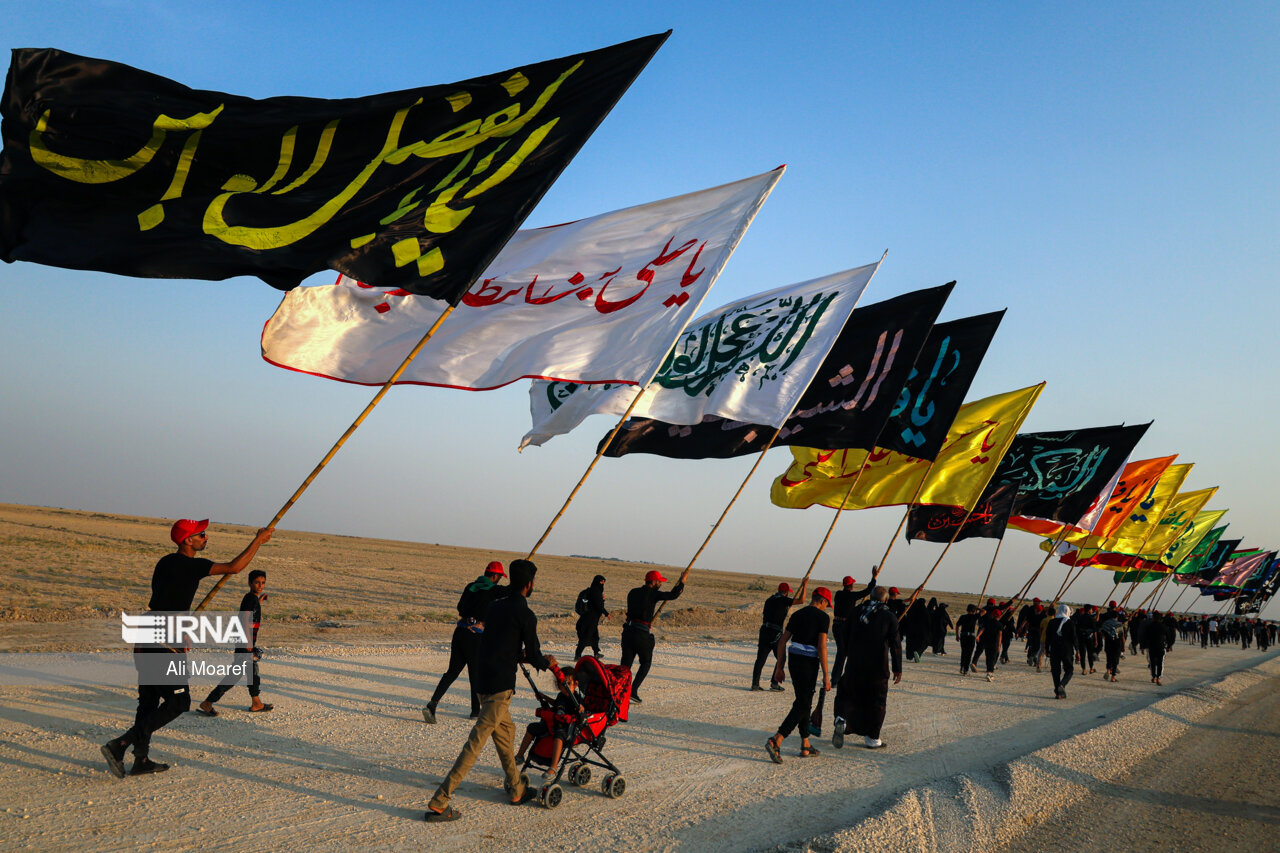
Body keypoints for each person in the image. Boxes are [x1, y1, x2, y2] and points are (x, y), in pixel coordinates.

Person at [100, 519, 273, 778]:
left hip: (147, 633)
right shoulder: (191, 565)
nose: (206, 537)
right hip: (164, 639)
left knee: (148, 702)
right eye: (200, 534)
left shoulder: (165, 562)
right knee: (180, 701)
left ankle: (141, 759)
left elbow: (167, 600)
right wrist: (258, 540)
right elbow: (235, 568)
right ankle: (120, 744)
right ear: (186, 540)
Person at [425, 559, 555, 822]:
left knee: (506, 733)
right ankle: (440, 800)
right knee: (476, 742)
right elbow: (534, 654)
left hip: (483, 684)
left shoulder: (495, 607)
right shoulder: (527, 615)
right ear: (529, 585)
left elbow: (494, 641)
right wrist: (547, 663)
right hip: (500, 687)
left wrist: (516, 655)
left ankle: (517, 788)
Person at [423, 561, 507, 724]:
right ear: (495, 576)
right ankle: (475, 711)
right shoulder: (493, 590)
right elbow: (511, 590)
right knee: (475, 674)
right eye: (499, 577)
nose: (499, 581)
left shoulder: (470, 586)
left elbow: (460, 608)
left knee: (452, 672)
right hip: (475, 636)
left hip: (460, 632)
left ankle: (432, 704)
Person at [765, 588, 832, 762]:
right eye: (827, 605)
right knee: (802, 704)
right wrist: (826, 675)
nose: (827, 608)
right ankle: (777, 739)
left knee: (804, 701)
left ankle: (805, 744)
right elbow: (822, 647)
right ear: (823, 601)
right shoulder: (823, 618)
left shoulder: (797, 614)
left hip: (794, 661)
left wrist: (779, 668)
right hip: (809, 663)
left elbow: (782, 641)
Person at [832, 586, 902, 750]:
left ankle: (841, 719)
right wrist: (897, 668)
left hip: (854, 663)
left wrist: (849, 651)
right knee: (876, 700)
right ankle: (872, 738)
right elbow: (896, 645)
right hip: (877, 666)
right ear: (886, 600)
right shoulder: (889, 617)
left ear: (870, 597)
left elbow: (844, 634)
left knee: (848, 692)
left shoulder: (856, 612)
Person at [197, 569, 273, 715]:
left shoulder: (252, 599)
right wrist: (249, 643)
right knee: (236, 675)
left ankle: (256, 702)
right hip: (245, 642)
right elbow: (245, 619)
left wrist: (259, 601)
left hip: (244, 641)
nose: (260, 585)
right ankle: (208, 702)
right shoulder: (250, 598)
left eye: (263, 583)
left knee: (250, 672)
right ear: (250, 583)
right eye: (257, 582)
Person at [620, 570, 684, 703]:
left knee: (625, 665)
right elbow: (673, 595)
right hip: (641, 634)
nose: (660, 583)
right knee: (646, 662)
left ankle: (618, 690)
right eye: (659, 581)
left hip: (627, 632)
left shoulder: (632, 592)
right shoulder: (653, 594)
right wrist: (682, 582)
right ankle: (633, 690)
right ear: (653, 582)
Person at [515, 664, 583, 781]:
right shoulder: (561, 696)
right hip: (553, 723)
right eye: (562, 684)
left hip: (566, 729)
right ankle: (520, 756)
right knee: (532, 728)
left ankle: (553, 766)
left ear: (575, 684)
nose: (565, 687)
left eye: (568, 684)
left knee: (558, 736)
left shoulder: (576, 699)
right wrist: (544, 697)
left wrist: (582, 708)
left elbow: (582, 710)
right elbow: (556, 704)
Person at [831, 575, 876, 682]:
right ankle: (836, 679)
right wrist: (873, 578)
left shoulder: (838, 594)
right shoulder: (852, 596)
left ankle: (837, 678)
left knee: (843, 651)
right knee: (843, 652)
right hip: (845, 626)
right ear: (851, 586)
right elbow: (868, 591)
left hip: (836, 625)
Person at [752, 582, 795, 691]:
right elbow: (802, 600)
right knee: (781, 658)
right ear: (786, 592)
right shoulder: (784, 600)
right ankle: (774, 684)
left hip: (764, 631)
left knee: (760, 659)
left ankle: (755, 684)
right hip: (775, 634)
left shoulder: (770, 599)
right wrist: (804, 585)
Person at [573, 575, 609, 659]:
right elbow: (599, 606)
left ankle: (596, 653)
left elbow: (594, 603)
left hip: (589, 618)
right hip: (590, 619)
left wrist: (602, 599)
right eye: (601, 582)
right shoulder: (595, 591)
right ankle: (577, 655)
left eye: (604, 582)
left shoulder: (592, 590)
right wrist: (607, 613)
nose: (603, 583)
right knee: (586, 637)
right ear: (597, 581)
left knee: (595, 636)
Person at [1045, 604, 1076, 699]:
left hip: (1054, 649)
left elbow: (1048, 637)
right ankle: (1062, 685)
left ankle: (1058, 693)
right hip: (1066, 649)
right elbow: (1074, 638)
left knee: (1055, 671)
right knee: (1069, 670)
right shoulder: (1070, 623)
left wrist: (1047, 649)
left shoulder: (1052, 622)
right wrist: (1077, 650)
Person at [1100, 602, 1127, 682]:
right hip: (1117, 643)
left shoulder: (1106, 623)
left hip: (1108, 642)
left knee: (1109, 658)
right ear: (1116, 617)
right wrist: (1123, 646)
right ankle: (1113, 677)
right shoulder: (1119, 624)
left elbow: (1102, 631)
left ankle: (1108, 670)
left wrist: (1105, 637)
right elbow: (1122, 636)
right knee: (1115, 659)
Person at [900, 597, 930, 663]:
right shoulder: (924, 610)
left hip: (910, 630)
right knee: (924, 642)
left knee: (910, 642)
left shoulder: (912, 610)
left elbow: (907, 619)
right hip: (922, 630)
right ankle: (918, 653)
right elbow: (928, 621)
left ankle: (910, 656)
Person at [955, 604, 979, 675]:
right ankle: (965, 669)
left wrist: (957, 635)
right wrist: (978, 608)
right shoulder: (975, 616)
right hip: (971, 637)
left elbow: (957, 625)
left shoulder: (963, 617)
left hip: (963, 636)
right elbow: (984, 611)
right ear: (974, 610)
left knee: (964, 652)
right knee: (969, 653)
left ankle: (962, 667)